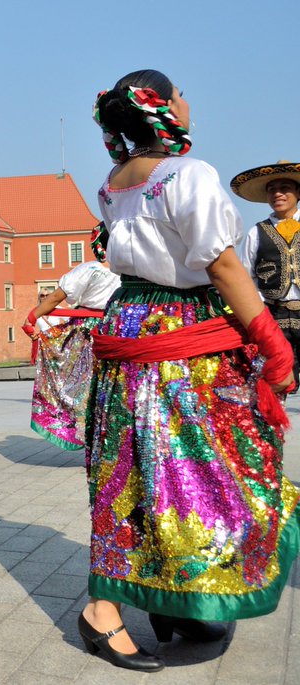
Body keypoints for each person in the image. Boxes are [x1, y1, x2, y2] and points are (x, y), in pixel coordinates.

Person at [79, 69, 298, 672]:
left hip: (131, 323)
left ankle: (172, 601)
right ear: (162, 108)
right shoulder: (188, 174)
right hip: (183, 335)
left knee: (135, 469)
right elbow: (223, 265)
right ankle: (104, 608)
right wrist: (273, 343)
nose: (188, 103)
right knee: (218, 463)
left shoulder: (114, 182)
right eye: (180, 94)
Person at [24, 235, 120, 449]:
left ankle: (84, 433)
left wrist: (31, 318)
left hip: (87, 333)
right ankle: (110, 440)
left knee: (81, 384)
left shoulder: (91, 269)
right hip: (117, 329)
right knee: (112, 384)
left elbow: (56, 297)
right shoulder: (130, 273)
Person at [231, 160, 300, 386]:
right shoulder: (257, 232)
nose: (278, 194)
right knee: (277, 379)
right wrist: (259, 309)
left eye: (284, 188)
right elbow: (246, 276)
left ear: (298, 193)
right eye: (272, 190)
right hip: (274, 315)